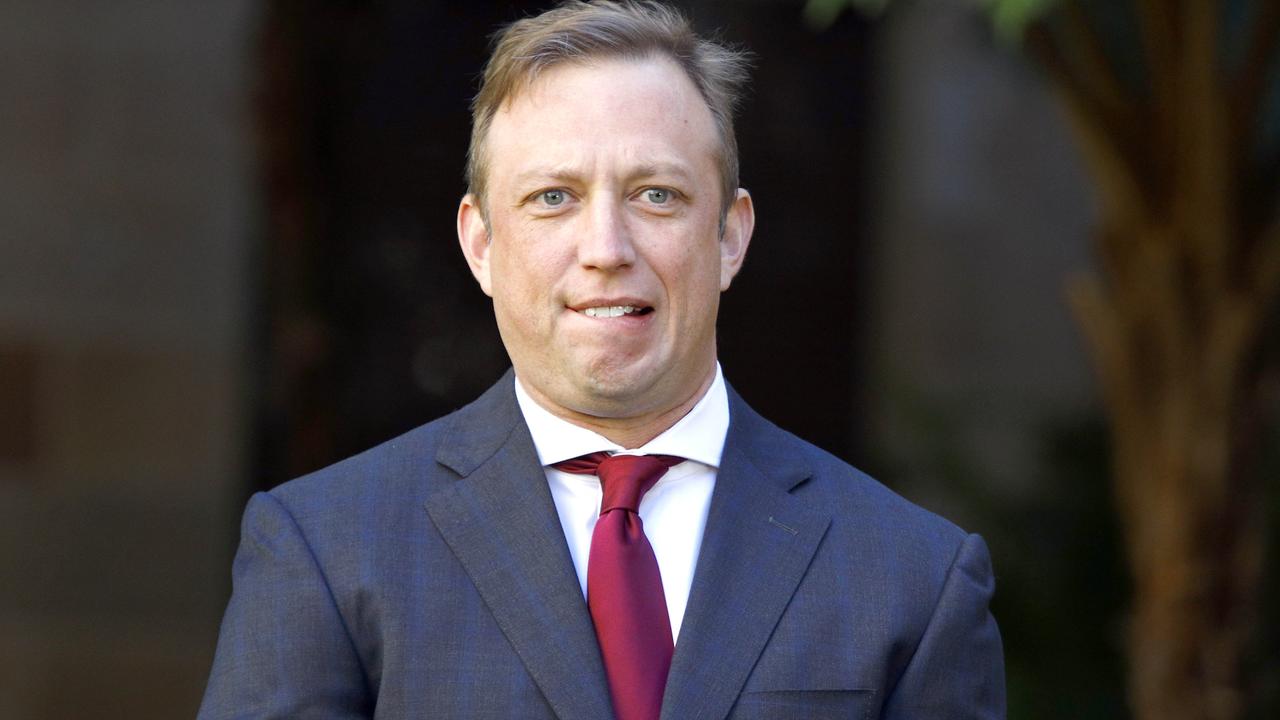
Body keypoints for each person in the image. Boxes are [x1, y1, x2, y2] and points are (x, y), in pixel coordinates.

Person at [198, 1, 1005, 718]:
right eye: (554, 197)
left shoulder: (914, 580)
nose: (606, 250)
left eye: (656, 194)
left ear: (730, 235)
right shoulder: (327, 549)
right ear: (481, 243)